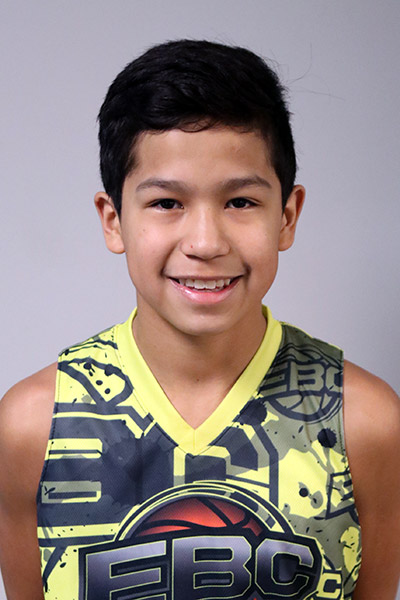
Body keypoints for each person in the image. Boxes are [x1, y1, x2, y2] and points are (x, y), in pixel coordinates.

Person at [0, 39, 399, 600]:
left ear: (287, 216)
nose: (206, 243)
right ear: (113, 220)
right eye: (167, 203)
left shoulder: (366, 422)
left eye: (240, 202)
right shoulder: (31, 428)